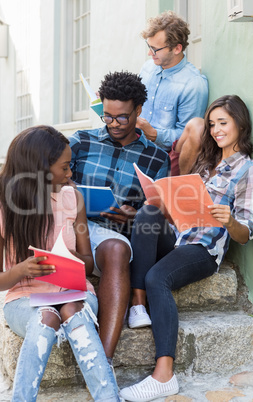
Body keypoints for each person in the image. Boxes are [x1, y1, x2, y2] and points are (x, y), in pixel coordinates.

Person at [120, 95, 253, 401]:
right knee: (147, 213)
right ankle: (138, 305)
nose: (216, 130)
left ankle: (164, 375)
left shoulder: (246, 170)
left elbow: (245, 233)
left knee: (158, 277)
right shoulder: (206, 163)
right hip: (179, 235)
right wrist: (162, 201)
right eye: (212, 124)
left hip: (204, 250)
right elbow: (181, 209)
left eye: (223, 123)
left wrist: (229, 220)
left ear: (240, 123)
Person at [0, 126, 120, 401]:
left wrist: (73, 261)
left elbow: (88, 263)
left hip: (74, 293)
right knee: (46, 317)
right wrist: (21, 270)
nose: (70, 175)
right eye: (65, 167)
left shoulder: (72, 198)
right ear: (40, 168)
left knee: (72, 310)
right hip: (24, 299)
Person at [69, 71, 170, 369]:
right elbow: (53, 180)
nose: (113, 124)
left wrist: (134, 215)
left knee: (116, 249)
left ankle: (103, 362)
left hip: (117, 235)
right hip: (75, 226)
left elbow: (158, 211)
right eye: (107, 117)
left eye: (122, 118)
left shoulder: (156, 157)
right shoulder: (81, 142)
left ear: (138, 111)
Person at [136, 10, 209, 174]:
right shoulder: (148, 68)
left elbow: (186, 138)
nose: (149, 53)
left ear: (177, 48)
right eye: (149, 47)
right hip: (132, 145)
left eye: (155, 49)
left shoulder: (193, 84)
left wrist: (154, 134)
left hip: (162, 159)